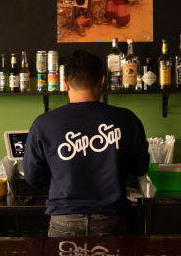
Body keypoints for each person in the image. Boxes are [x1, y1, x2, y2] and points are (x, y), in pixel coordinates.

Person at [23, 50, 150, 237]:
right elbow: (140, 168)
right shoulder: (127, 119)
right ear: (102, 80)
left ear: (65, 83)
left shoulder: (43, 124)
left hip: (64, 222)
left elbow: (33, 177)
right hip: (111, 221)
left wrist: (60, 172)